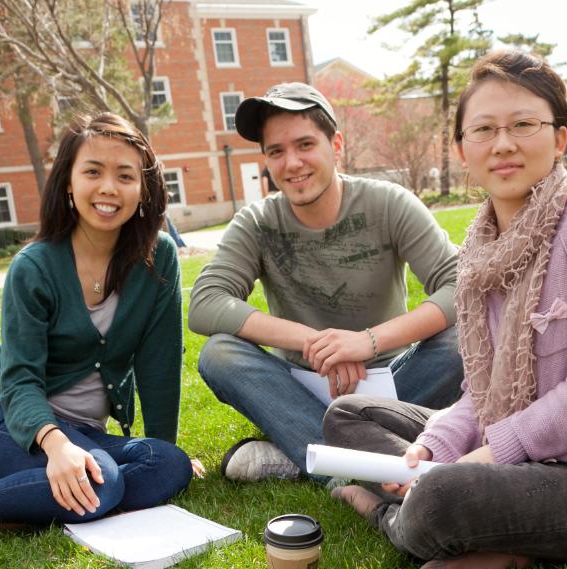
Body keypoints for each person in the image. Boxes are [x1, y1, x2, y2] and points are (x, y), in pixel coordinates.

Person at [324, 50, 567, 569]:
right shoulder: (480, 252)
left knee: (441, 500)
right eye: (484, 129)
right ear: (463, 150)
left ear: (559, 137)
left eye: (523, 125)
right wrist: (434, 450)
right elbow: (479, 392)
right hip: (510, 450)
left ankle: (394, 514)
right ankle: (442, 505)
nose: (504, 144)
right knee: (347, 416)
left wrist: (492, 454)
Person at [0, 113, 194, 550]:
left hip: (87, 433)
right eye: (92, 172)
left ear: (143, 189)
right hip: (7, 420)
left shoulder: (157, 257)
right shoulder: (34, 267)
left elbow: (159, 364)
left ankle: (5, 514)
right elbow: (20, 380)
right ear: (68, 182)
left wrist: (161, 452)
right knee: (101, 484)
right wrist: (55, 443)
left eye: (125, 175)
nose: (108, 187)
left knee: (169, 465)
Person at [188, 82, 464, 483]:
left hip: (392, 380)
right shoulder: (257, 222)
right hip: (300, 387)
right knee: (219, 354)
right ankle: (357, 460)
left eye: (304, 145)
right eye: (276, 152)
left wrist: (366, 341)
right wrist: (314, 342)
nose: (292, 163)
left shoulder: (388, 203)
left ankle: (309, 455)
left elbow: (461, 284)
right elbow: (206, 303)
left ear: (336, 146)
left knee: (463, 340)